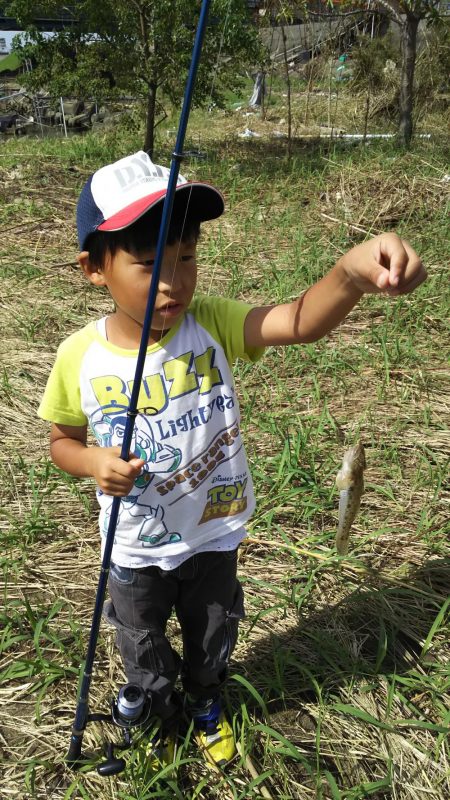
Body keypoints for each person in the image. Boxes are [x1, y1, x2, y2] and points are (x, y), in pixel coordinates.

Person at [38, 150, 426, 770]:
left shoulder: (211, 323)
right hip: (134, 546)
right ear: (94, 268)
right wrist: (91, 463)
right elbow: (62, 441)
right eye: (149, 264)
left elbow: (298, 321)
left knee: (213, 630)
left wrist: (351, 275)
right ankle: (154, 706)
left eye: (186, 257)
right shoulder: (78, 357)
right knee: (141, 641)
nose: (173, 281)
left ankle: (205, 700)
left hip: (214, 532)